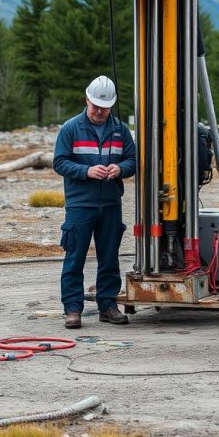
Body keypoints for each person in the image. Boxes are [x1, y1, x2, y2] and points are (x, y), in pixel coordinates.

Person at [53, 76, 137, 329]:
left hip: (111, 204)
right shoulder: (70, 128)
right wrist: (86, 172)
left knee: (109, 258)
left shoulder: (120, 130)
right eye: (95, 106)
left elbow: (133, 160)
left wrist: (120, 169)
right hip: (80, 206)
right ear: (86, 100)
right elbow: (59, 162)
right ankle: (73, 309)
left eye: (104, 107)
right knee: (75, 257)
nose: (99, 111)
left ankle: (108, 305)